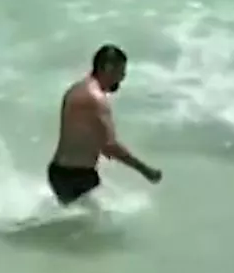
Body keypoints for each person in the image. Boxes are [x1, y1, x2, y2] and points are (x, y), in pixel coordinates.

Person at [46, 44, 162, 206]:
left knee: (78, 223)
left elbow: (82, 133)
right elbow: (110, 145)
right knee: (100, 225)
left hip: (58, 172)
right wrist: (145, 170)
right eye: (121, 72)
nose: (122, 78)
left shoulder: (75, 90)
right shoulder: (97, 99)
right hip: (78, 177)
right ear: (108, 68)